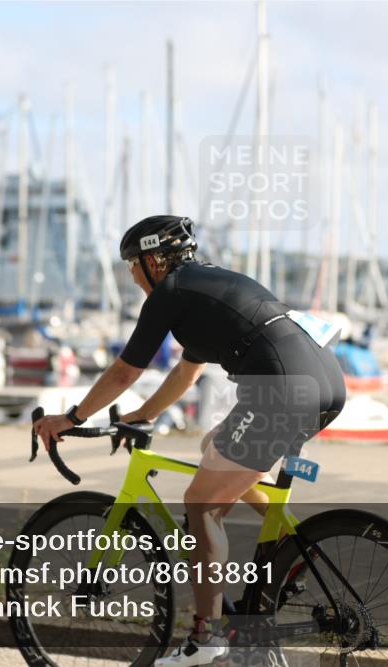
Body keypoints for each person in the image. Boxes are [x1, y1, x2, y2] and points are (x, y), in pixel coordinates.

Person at [34, 215, 346, 666]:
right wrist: (142, 415)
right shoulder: (207, 287)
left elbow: (125, 371)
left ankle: (207, 638)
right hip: (325, 383)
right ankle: (292, 549)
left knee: (201, 503)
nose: (132, 276)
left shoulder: (170, 293)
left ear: (154, 260)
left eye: (132, 266)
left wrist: (72, 417)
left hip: (279, 390)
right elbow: (188, 370)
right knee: (212, 448)